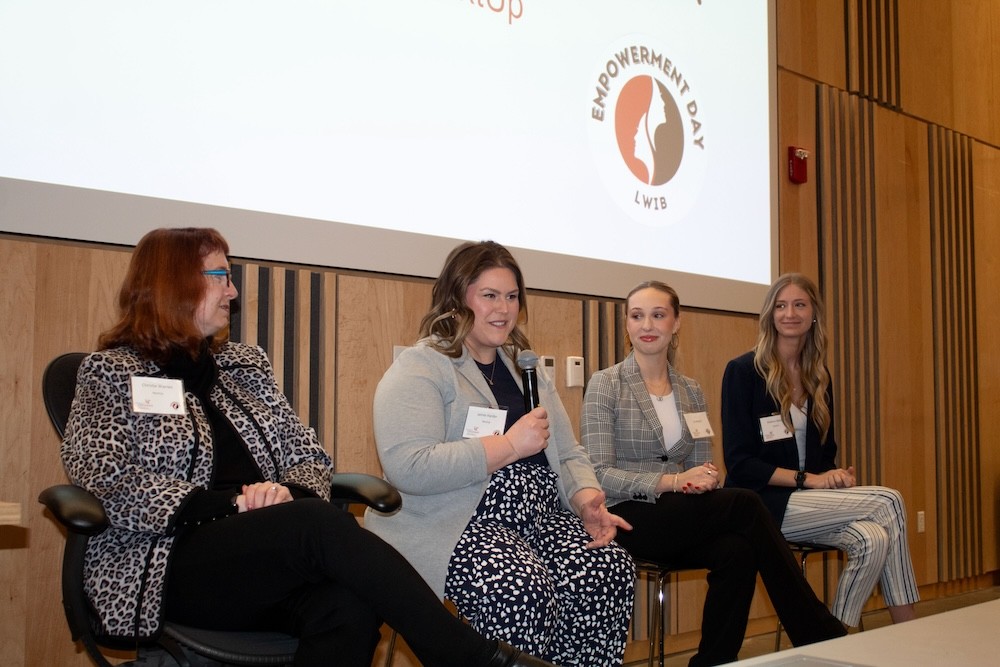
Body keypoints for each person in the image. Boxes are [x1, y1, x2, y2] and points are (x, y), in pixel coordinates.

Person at [59, 227, 555, 667]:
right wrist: (234, 503)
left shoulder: (245, 366)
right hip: (164, 561)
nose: (232, 290)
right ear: (173, 283)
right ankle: (468, 655)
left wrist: (284, 492)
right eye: (219, 277)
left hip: (263, 550)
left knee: (350, 606)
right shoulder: (111, 373)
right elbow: (107, 481)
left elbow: (309, 456)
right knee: (317, 522)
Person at [366, 240, 635, 667]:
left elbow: (567, 452)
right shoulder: (422, 366)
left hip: (541, 516)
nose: (504, 308)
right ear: (456, 298)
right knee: (523, 587)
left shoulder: (522, 366)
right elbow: (409, 466)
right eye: (489, 295)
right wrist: (508, 445)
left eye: (511, 297)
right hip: (461, 519)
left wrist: (586, 499)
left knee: (605, 570)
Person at [580, 281, 847, 667]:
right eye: (637, 316)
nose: (647, 325)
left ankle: (713, 662)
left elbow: (705, 464)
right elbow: (600, 473)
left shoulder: (691, 390)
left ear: (676, 322)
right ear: (626, 324)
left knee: (737, 551)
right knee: (746, 503)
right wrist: (672, 481)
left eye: (658, 315)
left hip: (681, 514)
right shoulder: (606, 384)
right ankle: (817, 630)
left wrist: (706, 478)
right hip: (628, 514)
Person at [721, 272, 919, 628]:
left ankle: (834, 641)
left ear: (813, 314)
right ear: (769, 315)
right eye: (781, 306)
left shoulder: (817, 376)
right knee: (888, 501)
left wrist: (835, 475)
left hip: (807, 503)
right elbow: (739, 463)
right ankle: (911, 631)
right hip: (763, 503)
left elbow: (824, 458)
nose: (790, 313)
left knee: (873, 539)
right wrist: (809, 479)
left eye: (799, 304)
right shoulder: (743, 371)